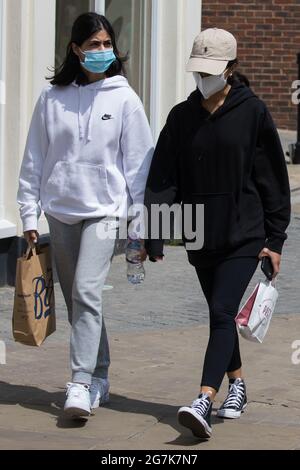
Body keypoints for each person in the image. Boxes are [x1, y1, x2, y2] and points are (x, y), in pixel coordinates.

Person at [144, 28, 291, 438]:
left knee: (223, 311)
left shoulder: (253, 112)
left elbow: (273, 179)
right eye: (198, 71)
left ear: (231, 69)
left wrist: (274, 239)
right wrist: (155, 234)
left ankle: (203, 399)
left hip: (245, 231)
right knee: (219, 314)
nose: (202, 78)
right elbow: (162, 179)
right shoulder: (180, 117)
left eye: (211, 71)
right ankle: (238, 384)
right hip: (198, 232)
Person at [17, 12, 153, 418]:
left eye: (107, 44)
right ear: (75, 49)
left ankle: (78, 383)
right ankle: (100, 375)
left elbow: (139, 167)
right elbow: (34, 159)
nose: (101, 51)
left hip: (104, 212)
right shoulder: (51, 99)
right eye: (93, 44)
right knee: (78, 301)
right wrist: (28, 214)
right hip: (60, 212)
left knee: (87, 292)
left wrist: (139, 228)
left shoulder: (125, 98)